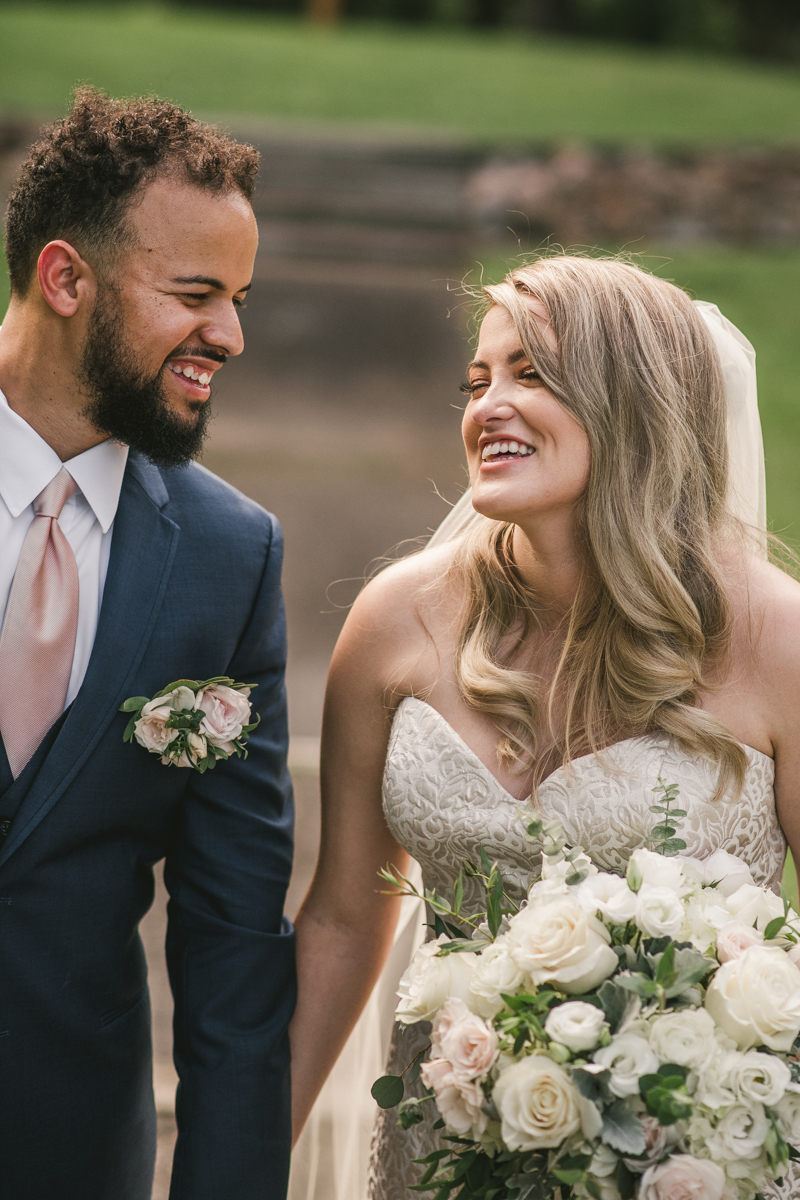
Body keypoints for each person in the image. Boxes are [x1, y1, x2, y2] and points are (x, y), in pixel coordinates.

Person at [289, 254, 800, 1199]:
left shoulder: (776, 637)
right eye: (477, 381)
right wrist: (243, 1153)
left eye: (532, 373)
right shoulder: (399, 619)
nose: (488, 406)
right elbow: (344, 913)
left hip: (686, 1160)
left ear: (636, 401)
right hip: (443, 1147)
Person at [0, 89, 295, 1200]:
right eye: (196, 294)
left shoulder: (231, 559)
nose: (230, 334)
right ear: (65, 278)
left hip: (71, 1157)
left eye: (239, 298)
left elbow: (233, 948)